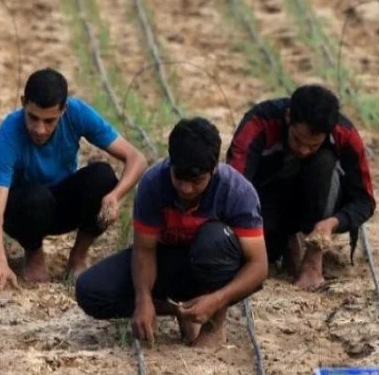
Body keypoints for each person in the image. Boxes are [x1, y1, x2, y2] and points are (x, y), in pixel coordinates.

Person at [74, 117, 269, 348]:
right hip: (166, 261)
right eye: (179, 178)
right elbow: (145, 250)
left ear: (214, 169)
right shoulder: (154, 183)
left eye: (196, 181)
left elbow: (259, 266)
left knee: (214, 240)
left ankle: (213, 326)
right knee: (90, 291)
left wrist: (217, 300)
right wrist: (143, 299)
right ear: (170, 164)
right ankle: (182, 310)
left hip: (212, 265)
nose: (186, 189)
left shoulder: (237, 192)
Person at [0, 68, 147, 289]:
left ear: (64, 110)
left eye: (49, 121)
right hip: (24, 211)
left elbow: (136, 158)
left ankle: (78, 257)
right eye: (33, 118)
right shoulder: (9, 131)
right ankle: (33, 254)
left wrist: (115, 196)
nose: (40, 129)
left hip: (62, 205)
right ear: (23, 103)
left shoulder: (78, 113)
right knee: (36, 197)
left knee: (101, 177)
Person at [226, 84, 375, 290]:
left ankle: (313, 261)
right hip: (267, 199)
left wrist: (332, 223)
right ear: (288, 117)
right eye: (297, 140)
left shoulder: (345, 135)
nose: (304, 150)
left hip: (319, 200)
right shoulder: (259, 123)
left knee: (323, 162)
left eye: (313, 145)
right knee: (263, 251)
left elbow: (365, 200)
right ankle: (285, 241)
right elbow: (234, 187)